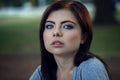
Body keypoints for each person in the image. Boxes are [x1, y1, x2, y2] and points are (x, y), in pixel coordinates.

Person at [29, 0, 111, 80]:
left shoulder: (91, 68)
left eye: (67, 26)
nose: (56, 32)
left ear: (83, 37)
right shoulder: (43, 72)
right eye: (49, 26)